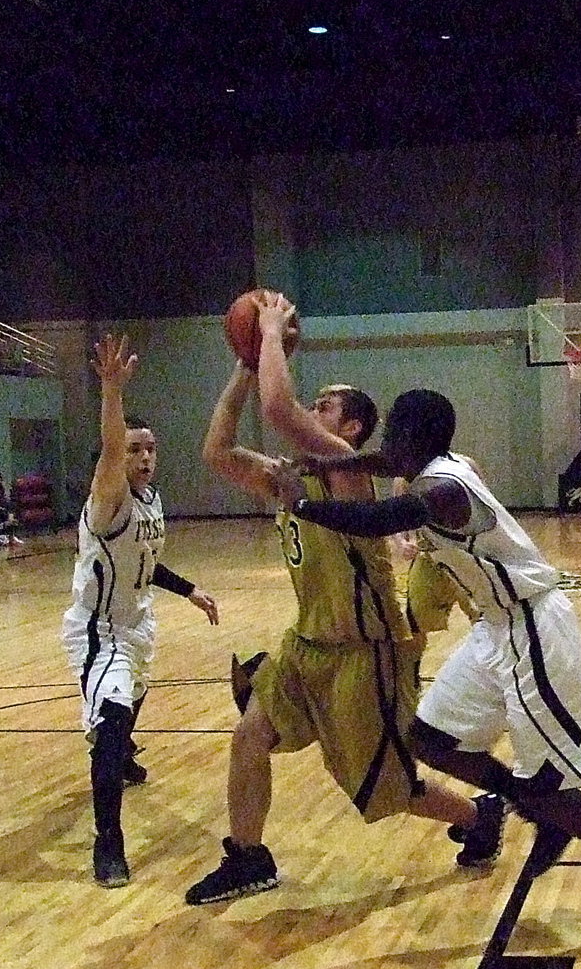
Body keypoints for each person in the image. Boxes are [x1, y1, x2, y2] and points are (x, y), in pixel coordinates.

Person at [270, 388, 581, 933]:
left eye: (393, 430)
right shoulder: (435, 460)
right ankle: (532, 808)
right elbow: (381, 461)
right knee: (432, 741)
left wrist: (299, 500)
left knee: (548, 786)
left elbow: (379, 517)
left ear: (411, 438)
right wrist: (323, 461)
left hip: (534, 628)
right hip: (496, 629)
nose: (386, 442)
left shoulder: (443, 488)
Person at [184, 295, 508, 905]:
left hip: (368, 655)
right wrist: (245, 363)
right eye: (314, 403)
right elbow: (216, 451)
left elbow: (278, 409)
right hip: (306, 648)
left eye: (325, 405)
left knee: (389, 795)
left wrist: (273, 334)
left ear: (351, 428)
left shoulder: (346, 468)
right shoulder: (289, 472)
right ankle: (248, 857)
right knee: (250, 734)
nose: (312, 409)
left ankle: (477, 815)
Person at [61, 333, 220, 888]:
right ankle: (108, 843)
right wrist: (111, 393)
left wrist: (191, 590)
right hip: (100, 630)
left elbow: (145, 564)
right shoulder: (109, 499)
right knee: (110, 721)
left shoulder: (152, 500)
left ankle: (121, 752)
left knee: (132, 701)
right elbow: (109, 451)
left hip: (139, 620)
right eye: (134, 449)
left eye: (150, 448)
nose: (144, 457)